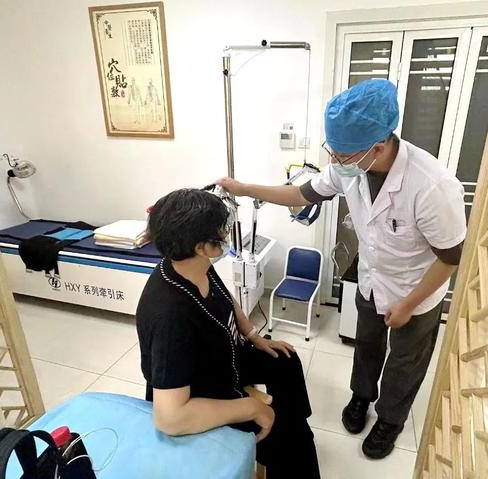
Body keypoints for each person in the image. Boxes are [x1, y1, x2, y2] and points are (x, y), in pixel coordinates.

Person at [217, 79, 466, 459]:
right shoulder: (351, 166)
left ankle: (390, 419)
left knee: (405, 360)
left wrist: (408, 304)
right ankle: (361, 396)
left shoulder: (433, 187)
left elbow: (450, 258)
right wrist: (245, 188)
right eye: (332, 151)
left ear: (378, 147)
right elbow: (301, 194)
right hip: (371, 278)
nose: (334, 162)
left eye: (342, 155)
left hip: (417, 288)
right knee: (366, 344)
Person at [136, 188, 320, 478]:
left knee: (285, 360)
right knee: (292, 441)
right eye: (222, 229)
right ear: (202, 246)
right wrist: (251, 408)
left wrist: (253, 335)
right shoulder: (171, 316)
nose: (226, 233)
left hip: (221, 357)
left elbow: (226, 299)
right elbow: (169, 418)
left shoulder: (192, 263)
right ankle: (285, 438)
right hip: (198, 395)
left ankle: (296, 422)